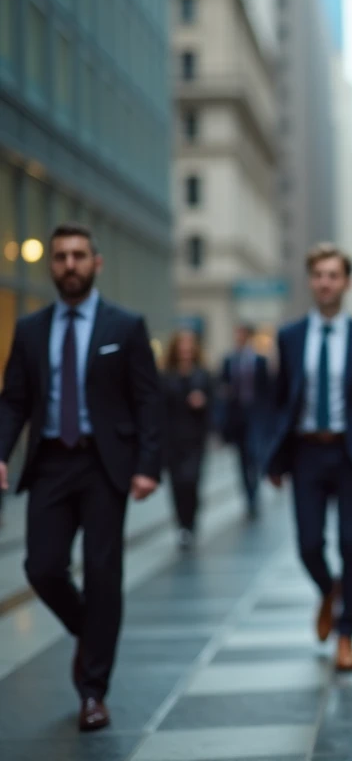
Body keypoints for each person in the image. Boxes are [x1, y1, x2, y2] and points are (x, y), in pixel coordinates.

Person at [0, 223, 162, 731]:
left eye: (78, 255)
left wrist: (146, 465)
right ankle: (91, 633)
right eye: (60, 257)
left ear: (97, 263)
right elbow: (14, 402)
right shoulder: (30, 330)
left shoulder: (126, 326)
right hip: (50, 463)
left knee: (102, 573)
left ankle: (93, 691)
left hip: (104, 466)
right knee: (42, 567)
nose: (69, 264)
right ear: (50, 265)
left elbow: (148, 400)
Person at [264, 244, 352, 673]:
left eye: (333, 275)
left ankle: (346, 635)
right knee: (308, 545)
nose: (325, 282)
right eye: (318, 274)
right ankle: (330, 589)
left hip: (350, 452)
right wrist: (273, 459)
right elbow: (279, 399)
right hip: (304, 453)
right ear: (310, 281)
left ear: (347, 283)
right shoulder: (290, 336)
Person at [162, 329, 214, 549]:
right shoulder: (165, 376)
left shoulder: (202, 375)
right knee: (176, 484)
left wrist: (203, 403)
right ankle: (182, 525)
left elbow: (215, 404)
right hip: (172, 438)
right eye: (181, 347)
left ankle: (191, 522)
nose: (185, 352)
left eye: (188, 347)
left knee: (191, 481)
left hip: (195, 438)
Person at [220, 324, 270, 519]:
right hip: (237, 418)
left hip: (255, 416)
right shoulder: (229, 361)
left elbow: (267, 391)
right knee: (241, 460)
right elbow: (222, 389)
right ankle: (248, 497)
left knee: (253, 455)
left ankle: (255, 494)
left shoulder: (260, 361)